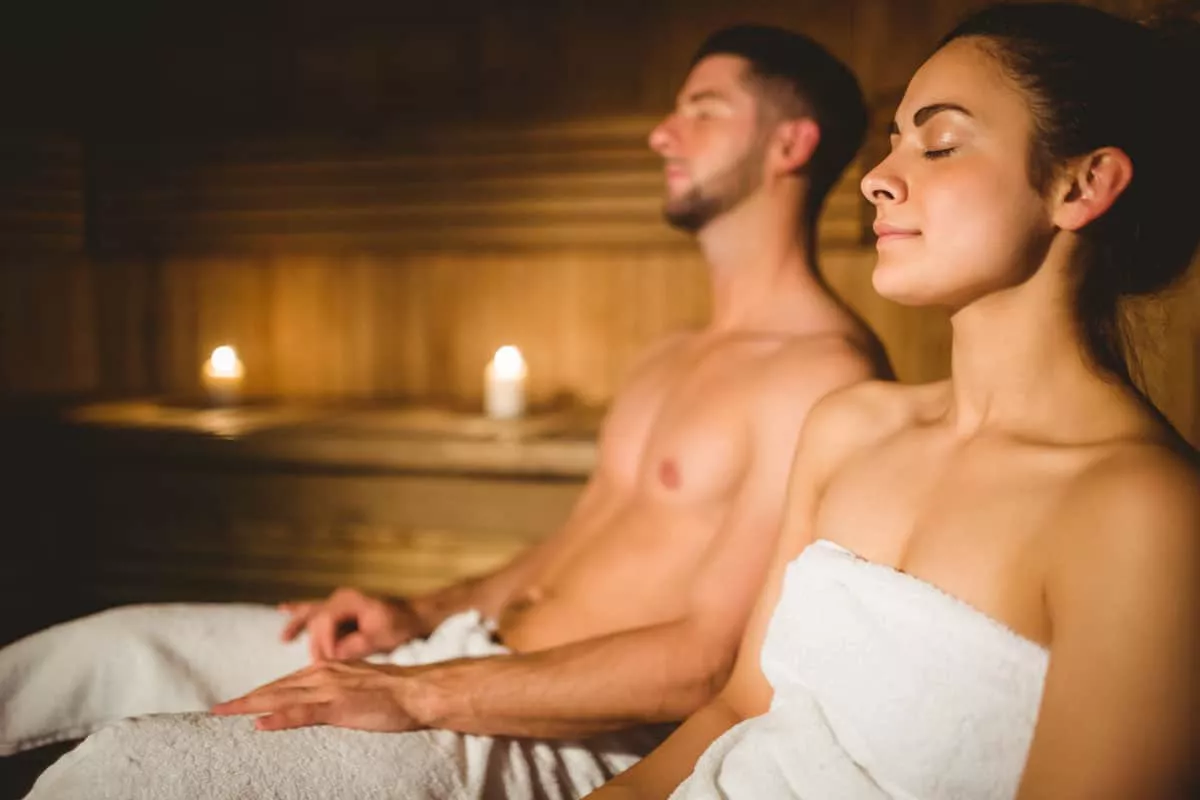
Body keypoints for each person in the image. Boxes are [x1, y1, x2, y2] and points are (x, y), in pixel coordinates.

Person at [3, 25, 888, 799]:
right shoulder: (669, 355)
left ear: (790, 143)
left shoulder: (825, 377)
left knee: (127, 771)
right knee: (99, 653)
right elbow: (575, 548)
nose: (662, 131)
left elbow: (712, 660)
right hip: (465, 655)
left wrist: (422, 693)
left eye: (702, 107)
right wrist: (419, 613)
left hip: (563, 730)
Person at [591, 4, 1200, 799]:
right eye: (893, 144)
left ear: (1082, 184)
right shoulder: (850, 429)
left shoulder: (1141, 515)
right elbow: (740, 707)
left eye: (940, 144)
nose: (878, 179)